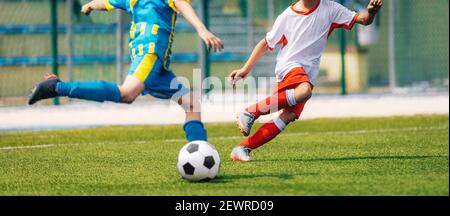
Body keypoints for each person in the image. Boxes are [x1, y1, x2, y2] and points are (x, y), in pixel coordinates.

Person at [28, 0, 224, 143]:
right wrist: (202, 29)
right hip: (150, 53)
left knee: (191, 104)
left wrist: (89, 5)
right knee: (127, 93)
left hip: (156, 62)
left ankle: (200, 150)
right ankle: (57, 87)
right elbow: (182, 4)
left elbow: (105, 3)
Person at [229, 0, 382, 161]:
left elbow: (364, 20)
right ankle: (249, 112)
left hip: (308, 73)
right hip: (289, 66)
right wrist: (245, 69)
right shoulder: (287, 16)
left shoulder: (330, 8)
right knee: (304, 92)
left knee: (287, 116)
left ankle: (242, 148)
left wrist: (371, 12)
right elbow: (266, 43)